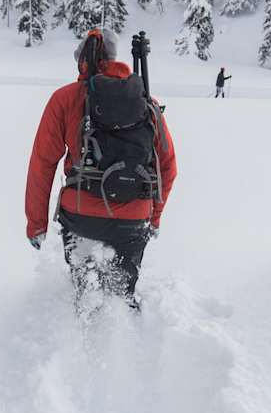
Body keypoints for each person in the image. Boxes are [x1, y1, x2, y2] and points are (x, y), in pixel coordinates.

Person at [25, 28, 178, 310]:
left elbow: (43, 162)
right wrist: (153, 218)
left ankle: (79, 322)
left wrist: (37, 224)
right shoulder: (146, 104)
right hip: (133, 218)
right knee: (121, 295)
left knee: (83, 293)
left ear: (83, 60)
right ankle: (126, 324)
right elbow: (167, 166)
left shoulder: (65, 99)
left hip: (80, 214)